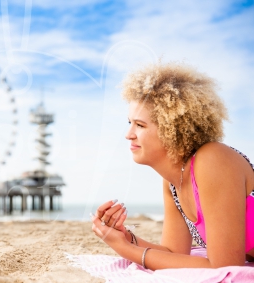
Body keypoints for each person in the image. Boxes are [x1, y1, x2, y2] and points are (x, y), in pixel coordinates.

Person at [91, 61, 254, 270]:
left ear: (173, 129)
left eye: (140, 125)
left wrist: (125, 249)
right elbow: (173, 253)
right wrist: (125, 236)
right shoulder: (173, 183)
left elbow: (224, 266)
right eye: (129, 122)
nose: (128, 134)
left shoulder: (213, 159)